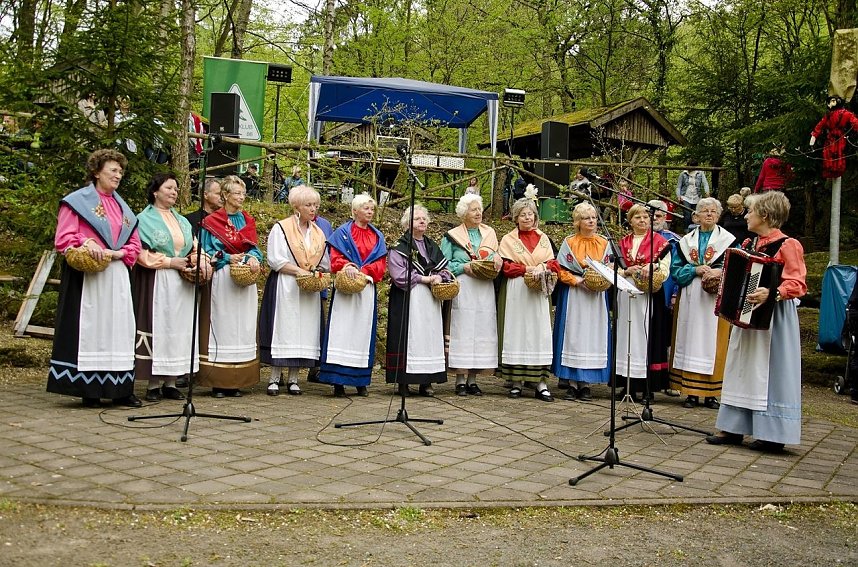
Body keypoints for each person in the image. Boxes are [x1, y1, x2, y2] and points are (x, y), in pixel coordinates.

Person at [706, 191, 807, 453]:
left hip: (774, 317)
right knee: (741, 366)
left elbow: (798, 283)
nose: (746, 216)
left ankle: (772, 433)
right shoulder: (751, 243)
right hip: (747, 315)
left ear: (765, 215)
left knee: (771, 369)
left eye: (750, 211)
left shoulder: (788, 245)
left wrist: (773, 292)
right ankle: (734, 427)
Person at [46, 149, 142, 408]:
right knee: (94, 328)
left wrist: (120, 253)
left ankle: (121, 389)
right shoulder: (77, 202)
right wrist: (87, 242)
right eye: (113, 170)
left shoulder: (123, 208)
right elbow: (64, 238)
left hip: (117, 275)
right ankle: (90, 390)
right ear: (97, 172)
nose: (118, 175)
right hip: (89, 277)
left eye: (120, 171)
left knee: (119, 329)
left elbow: (135, 244)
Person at [134, 172, 212, 402]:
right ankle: (153, 384)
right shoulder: (143, 219)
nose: (174, 192)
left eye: (176, 189)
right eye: (169, 188)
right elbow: (140, 252)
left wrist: (200, 261)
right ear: (155, 191)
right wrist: (169, 262)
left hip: (182, 282)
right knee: (161, 327)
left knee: (179, 329)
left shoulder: (182, 221)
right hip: (158, 279)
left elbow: (194, 247)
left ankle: (170, 382)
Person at [259, 185, 330, 396]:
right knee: (284, 328)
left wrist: (316, 273)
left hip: (308, 288)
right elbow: (275, 259)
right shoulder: (281, 228)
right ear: (296, 206)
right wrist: (299, 271)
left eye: (315, 205)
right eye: (308, 205)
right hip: (286, 284)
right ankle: (274, 378)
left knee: (303, 331)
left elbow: (324, 262)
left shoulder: (318, 233)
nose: (313, 209)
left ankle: (293, 379)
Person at [198, 175, 263, 398]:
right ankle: (219, 381)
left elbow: (254, 247)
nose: (241, 197)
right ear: (225, 195)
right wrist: (227, 257)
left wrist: (254, 258)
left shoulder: (247, 220)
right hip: (223, 277)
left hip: (244, 277)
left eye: (243, 193)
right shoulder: (211, 221)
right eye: (237, 193)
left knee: (242, 326)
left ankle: (238, 380)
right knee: (223, 325)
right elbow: (206, 250)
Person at [669, 197, 734, 410]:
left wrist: (718, 272)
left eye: (713, 211)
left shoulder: (728, 241)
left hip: (716, 298)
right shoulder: (685, 242)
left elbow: (736, 266)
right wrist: (694, 269)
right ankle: (690, 392)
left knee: (713, 342)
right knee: (689, 339)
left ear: (719, 215)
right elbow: (675, 270)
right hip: (691, 295)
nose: (709, 214)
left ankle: (712, 393)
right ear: (695, 216)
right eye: (704, 210)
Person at [319, 193, 387, 396]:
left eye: (372, 209)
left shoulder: (377, 236)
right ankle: (337, 382)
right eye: (366, 208)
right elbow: (335, 258)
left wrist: (364, 271)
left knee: (362, 333)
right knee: (341, 332)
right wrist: (347, 265)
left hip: (366, 289)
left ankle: (360, 381)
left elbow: (380, 264)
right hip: (345, 290)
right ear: (355, 210)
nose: (370, 212)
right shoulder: (343, 233)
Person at [441, 194, 502, 396]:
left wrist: (498, 260)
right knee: (463, 329)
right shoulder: (452, 236)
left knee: (481, 329)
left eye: (479, 209)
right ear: (463, 213)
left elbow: (495, 255)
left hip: (484, 287)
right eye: (474, 209)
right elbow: (443, 264)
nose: (478, 213)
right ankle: (460, 379)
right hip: (463, 286)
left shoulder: (489, 233)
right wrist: (463, 267)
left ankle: (473, 379)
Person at [385, 205, 449, 397]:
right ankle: (403, 381)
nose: (422, 221)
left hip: (430, 299)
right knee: (407, 336)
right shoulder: (399, 246)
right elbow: (398, 274)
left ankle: (426, 381)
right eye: (417, 218)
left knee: (428, 337)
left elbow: (444, 269)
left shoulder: (432, 246)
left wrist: (440, 277)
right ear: (407, 223)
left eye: (424, 218)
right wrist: (424, 279)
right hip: (407, 297)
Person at [498, 198, 557, 402]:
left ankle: (541, 383)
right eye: (523, 214)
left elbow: (553, 263)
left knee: (539, 333)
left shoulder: (543, 238)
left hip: (538, 291)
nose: (527, 218)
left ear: (535, 216)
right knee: (517, 332)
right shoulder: (508, 240)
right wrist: (528, 268)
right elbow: (505, 267)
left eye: (530, 214)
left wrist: (543, 267)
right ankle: (516, 382)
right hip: (517, 290)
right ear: (516, 218)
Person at [551, 202, 610, 401]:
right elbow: (559, 268)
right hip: (574, 293)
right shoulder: (569, 242)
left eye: (593, 217)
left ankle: (586, 384)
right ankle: (572, 382)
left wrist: (599, 280)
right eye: (586, 218)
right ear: (578, 222)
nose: (591, 221)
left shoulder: (604, 243)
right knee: (573, 333)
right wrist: (576, 280)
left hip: (596, 295)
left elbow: (610, 267)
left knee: (592, 335)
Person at [614, 203, 672, 402]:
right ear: (630, 221)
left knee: (647, 336)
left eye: (646, 217)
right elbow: (614, 267)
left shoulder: (660, 242)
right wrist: (626, 271)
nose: (643, 220)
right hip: (627, 290)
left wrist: (652, 267)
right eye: (638, 217)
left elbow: (665, 268)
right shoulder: (623, 243)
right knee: (627, 335)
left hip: (649, 292)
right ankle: (627, 384)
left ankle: (648, 386)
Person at [676, 160, 710, 230]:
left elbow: (705, 184)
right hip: (685, 196)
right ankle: (686, 230)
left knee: (695, 214)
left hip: (696, 197)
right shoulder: (683, 174)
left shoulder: (700, 173)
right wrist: (678, 196)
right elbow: (678, 186)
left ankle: (695, 230)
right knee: (687, 214)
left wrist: (707, 192)